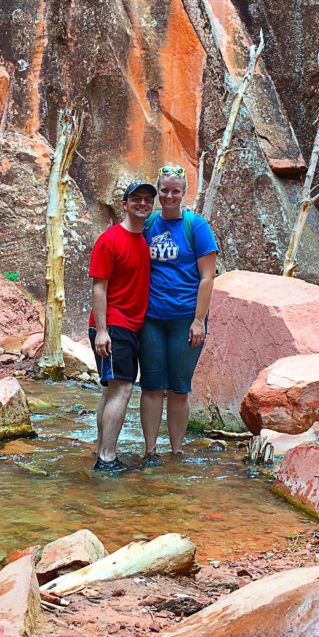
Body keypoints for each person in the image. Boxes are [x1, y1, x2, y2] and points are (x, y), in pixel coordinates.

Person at [139, 164, 218, 463]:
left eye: (175, 191)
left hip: (186, 318)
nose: (169, 196)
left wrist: (199, 320)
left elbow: (207, 277)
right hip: (152, 318)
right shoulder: (149, 225)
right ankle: (150, 450)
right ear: (158, 191)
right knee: (151, 385)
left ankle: (176, 450)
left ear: (184, 193)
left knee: (179, 387)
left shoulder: (196, 227)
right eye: (164, 190)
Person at [88, 180, 157, 474]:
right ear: (125, 203)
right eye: (137, 199)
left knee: (110, 390)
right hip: (114, 325)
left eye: (147, 200)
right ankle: (106, 459)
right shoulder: (110, 240)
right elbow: (98, 288)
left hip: (130, 326)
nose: (143, 204)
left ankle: (102, 452)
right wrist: (102, 330)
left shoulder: (142, 239)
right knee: (123, 388)